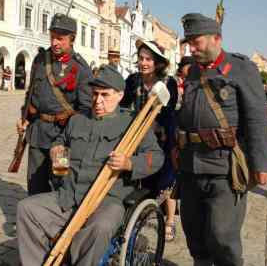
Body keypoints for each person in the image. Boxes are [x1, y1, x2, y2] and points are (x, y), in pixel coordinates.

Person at [17, 65, 163, 266]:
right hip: (69, 195)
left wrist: (129, 163)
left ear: (120, 95)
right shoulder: (77, 119)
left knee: (100, 227)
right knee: (27, 209)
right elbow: (60, 143)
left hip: (106, 201)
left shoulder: (132, 124)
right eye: (95, 94)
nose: (98, 101)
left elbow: (156, 157)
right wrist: (59, 155)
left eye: (105, 95)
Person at [178, 13, 267, 266]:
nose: (191, 49)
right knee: (194, 234)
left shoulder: (241, 68)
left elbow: (257, 118)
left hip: (224, 168)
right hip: (190, 166)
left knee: (222, 236)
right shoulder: (192, 73)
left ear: (216, 38)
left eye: (196, 42)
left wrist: (262, 165)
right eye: (189, 43)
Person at [16, 13, 93, 195]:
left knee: (60, 185)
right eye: (52, 37)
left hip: (61, 138)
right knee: (35, 186)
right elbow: (31, 93)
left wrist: (71, 137)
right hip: (37, 134)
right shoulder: (41, 60)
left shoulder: (81, 69)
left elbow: (85, 109)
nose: (55, 43)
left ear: (72, 39)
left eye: (60, 38)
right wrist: (24, 118)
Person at [120, 39, 179, 242]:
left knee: (167, 181)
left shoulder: (168, 82)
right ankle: (140, 212)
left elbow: (169, 110)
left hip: (162, 137)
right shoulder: (132, 80)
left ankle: (170, 220)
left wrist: (155, 125)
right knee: (140, 176)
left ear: (157, 62)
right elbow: (124, 105)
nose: (143, 62)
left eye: (148, 59)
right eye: (141, 58)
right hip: (137, 137)